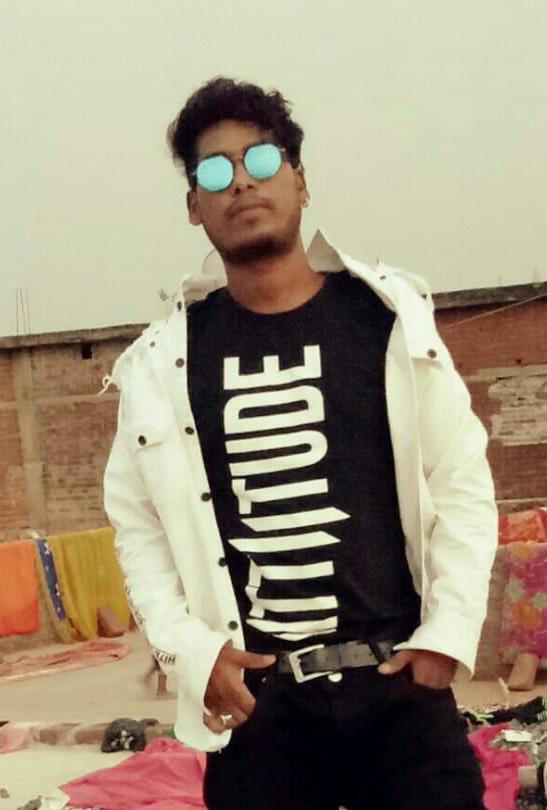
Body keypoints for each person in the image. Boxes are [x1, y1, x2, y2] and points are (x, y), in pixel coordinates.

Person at [103, 77, 498, 810]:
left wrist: (449, 631)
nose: (240, 182)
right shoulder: (162, 363)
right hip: (262, 711)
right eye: (213, 171)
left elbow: (460, 482)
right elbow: (138, 528)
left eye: (260, 159)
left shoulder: (385, 320)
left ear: (300, 180)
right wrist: (190, 655)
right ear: (193, 204)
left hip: (400, 691)